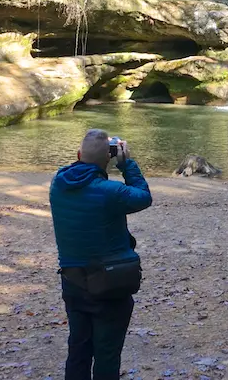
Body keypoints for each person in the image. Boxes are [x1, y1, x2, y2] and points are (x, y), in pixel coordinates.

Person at [50, 129, 153, 380]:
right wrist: (127, 164)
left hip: (73, 281)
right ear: (109, 159)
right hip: (110, 284)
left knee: (79, 349)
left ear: (77, 154)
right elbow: (144, 197)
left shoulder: (58, 184)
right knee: (107, 354)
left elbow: (78, 169)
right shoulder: (110, 192)